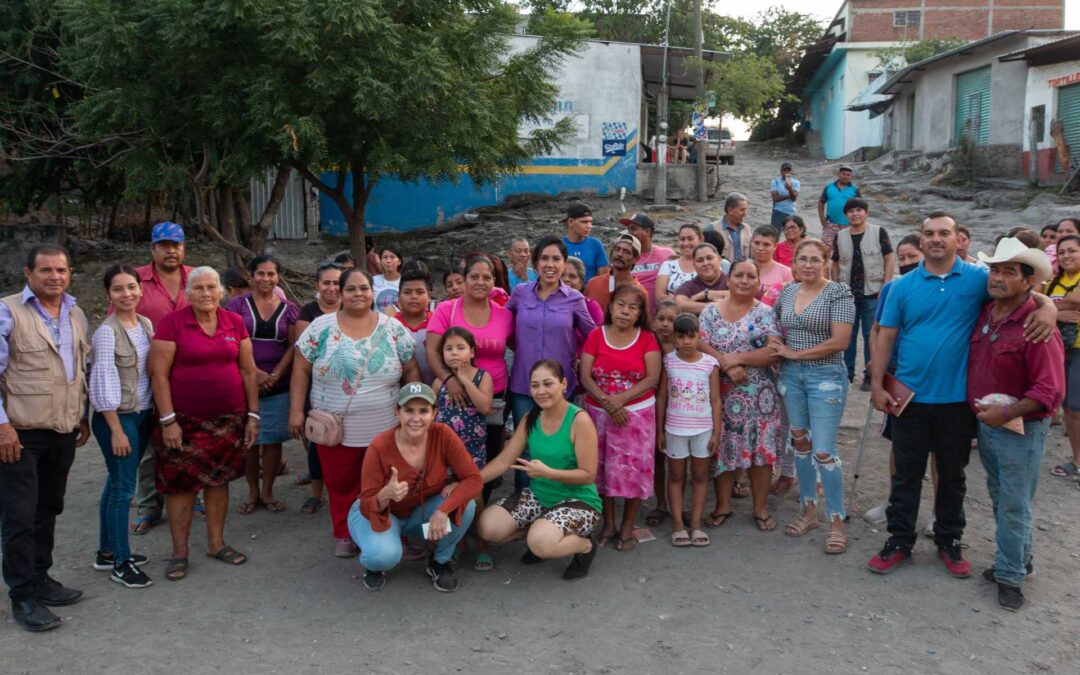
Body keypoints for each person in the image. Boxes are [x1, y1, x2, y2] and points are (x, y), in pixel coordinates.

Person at [868, 212, 1057, 577]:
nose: (935, 239)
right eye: (928, 233)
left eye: (944, 233)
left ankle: (949, 541)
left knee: (953, 476)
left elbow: (1021, 292)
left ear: (959, 239)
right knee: (906, 474)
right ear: (920, 240)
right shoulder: (902, 286)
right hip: (908, 399)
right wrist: (876, 385)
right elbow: (885, 336)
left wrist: (1047, 306)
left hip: (958, 401)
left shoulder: (978, 280)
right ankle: (899, 540)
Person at [290, 268, 421, 558]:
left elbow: (411, 367)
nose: (358, 294)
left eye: (363, 288)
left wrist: (413, 412)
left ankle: (396, 534)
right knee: (341, 483)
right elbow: (300, 368)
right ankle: (346, 533)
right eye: (351, 289)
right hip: (335, 427)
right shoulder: (321, 327)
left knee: (391, 483)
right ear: (340, 292)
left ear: (371, 293)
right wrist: (296, 411)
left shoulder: (392, 327)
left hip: (386, 427)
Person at [967, 239, 1062, 611]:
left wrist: (1005, 414)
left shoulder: (1038, 327)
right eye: (995, 270)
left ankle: (1009, 576)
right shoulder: (987, 311)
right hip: (989, 426)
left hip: (1019, 430)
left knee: (1012, 504)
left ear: (1028, 282)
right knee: (1003, 496)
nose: (998, 278)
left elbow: (1049, 391)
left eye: (1009, 272)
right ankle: (1021, 561)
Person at [148, 266, 260, 582]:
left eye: (212, 287)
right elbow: (158, 374)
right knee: (180, 487)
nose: (206, 293)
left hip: (228, 419)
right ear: (188, 292)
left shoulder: (234, 322)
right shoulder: (172, 324)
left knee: (218, 482)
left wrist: (253, 415)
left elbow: (249, 372)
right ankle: (179, 553)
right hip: (182, 421)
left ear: (221, 292)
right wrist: (168, 420)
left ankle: (216, 543)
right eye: (198, 288)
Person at [0, 245, 91, 632]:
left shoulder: (76, 312)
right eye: (46, 270)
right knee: (19, 517)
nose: (55, 276)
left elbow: (79, 370)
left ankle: (41, 578)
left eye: (62, 270)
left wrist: (82, 416)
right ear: (28, 273)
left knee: (48, 507)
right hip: (19, 433)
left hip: (63, 430)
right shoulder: (7, 312)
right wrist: (2, 426)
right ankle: (22, 596)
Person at [477, 360, 601, 581]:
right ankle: (541, 532)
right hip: (539, 496)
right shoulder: (531, 418)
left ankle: (585, 546)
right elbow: (504, 460)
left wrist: (549, 473)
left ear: (563, 384)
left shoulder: (579, 420)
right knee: (488, 528)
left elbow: (588, 474)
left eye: (548, 384)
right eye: (535, 385)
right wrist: (468, 482)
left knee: (541, 543)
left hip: (579, 500)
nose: (541, 391)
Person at [351, 383, 481, 592]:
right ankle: (373, 564)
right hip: (382, 514)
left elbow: (473, 479)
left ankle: (439, 562)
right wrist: (385, 494)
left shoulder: (443, 435)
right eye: (408, 410)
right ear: (397, 412)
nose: (415, 418)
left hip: (420, 517)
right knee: (383, 556)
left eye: (423, 410)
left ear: (434, 413)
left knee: (466, 505)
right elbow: (366, 504)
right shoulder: (380, 445)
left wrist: (442, 511)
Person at [770, 239, 855, 555]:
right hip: (792, 377)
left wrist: (795, 352)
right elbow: (775, 324)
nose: (808, 265)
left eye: (814, 259)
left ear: (826, 261)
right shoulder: (789, 291)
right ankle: (808, 511)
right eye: (802, 259)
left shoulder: (839, 293)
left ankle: (836, 520)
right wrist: (776, 343)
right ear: (793, 263)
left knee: (823, 450)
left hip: (826, 378)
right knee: (800, 442)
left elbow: (841, 341)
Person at [700, 261, 784, 532]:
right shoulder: (711, 312)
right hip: (720, 394)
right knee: (722, 448)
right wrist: (727, 364)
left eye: (751, 276)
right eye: (739, 275)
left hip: (760, 396)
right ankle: (722, 504)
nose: (744, 280)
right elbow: (701, 343)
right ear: (729, 279)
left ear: (758, 281)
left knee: (761, 451)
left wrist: (738, 359)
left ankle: (760, 507)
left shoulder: (766, 313)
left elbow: (773, 351)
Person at [579, 284, 662, 551]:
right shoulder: (595, 335)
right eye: (620, 304)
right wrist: (608, 403)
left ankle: (627, 526)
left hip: (636, 416)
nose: (625, 311)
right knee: (602, 471)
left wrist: (619, 401)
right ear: (611, 306)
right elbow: (585, 375)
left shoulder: (647, 338)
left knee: (632, 473)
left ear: (640, 313)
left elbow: (652, 378)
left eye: (633, 307)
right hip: (598, 413)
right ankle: (610, 523)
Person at [89, 265, 154, 589]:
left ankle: (106, 551)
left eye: (131, 287)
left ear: (140, 289)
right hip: (118, 417)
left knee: (116, 482)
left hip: (141, 415)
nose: (126, 294)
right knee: (123, 490)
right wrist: (115, 429)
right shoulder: (106, 332)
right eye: (118, 289)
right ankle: (121, 562)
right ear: (108, 295)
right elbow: (101, 383)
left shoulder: (145, 324)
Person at [426, 255, 514, 488]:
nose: (480, 282)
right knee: (452, 456)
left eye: (487, 277)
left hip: (493, 394)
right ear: (464, 280)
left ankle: (480, 512)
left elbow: (519, 345)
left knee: (490, 454)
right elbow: (432, 351)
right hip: (455, 393)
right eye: (474, 276)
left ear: (494, 281)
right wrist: (449, 380)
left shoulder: (503, 314)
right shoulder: (446, 310)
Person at [131, 222, 192, 536]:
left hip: (192, 373)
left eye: (177, 245)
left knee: (191, 437)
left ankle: (191, 495)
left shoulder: (196, 279)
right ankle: (149, 506)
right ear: (152, 249)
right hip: (149, 374)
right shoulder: (136, 281)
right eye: (164, 245)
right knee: (151, 442)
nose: (171, 251)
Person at [226, 255, 299, 514]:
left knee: (272, 440)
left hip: (277, 384)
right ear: (251, 276)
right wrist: (254, 373)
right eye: (260, 273)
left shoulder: (289, 309)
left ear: (278, 277)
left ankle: (267, 492)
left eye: (271, 274)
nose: (266, 279)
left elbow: (293, 346)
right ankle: (251, 492)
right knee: (249, 440)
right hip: (244, 381)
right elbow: (229, 341)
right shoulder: (236, 306)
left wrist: (275, 375)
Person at [862, 234, 926, 525]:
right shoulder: (892, 288)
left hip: (937, 378)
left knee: (939, 451)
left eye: (912, 256)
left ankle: (937, 512)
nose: (907, 263)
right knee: (898, 442)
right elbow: (877, 329)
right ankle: (893, 502)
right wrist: (877, 365)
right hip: (899, 374)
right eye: (901, 259)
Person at [506, 238, 596, 442]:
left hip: (560, 387)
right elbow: (502, 324)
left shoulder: (574, 298)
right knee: (525, 446)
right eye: (544, 258)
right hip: (524, 385)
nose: (550, 264)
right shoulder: (521, 293)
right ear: (536, 263)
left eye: (556, 259)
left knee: (558, 445)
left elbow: (594, 335)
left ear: (564, 263)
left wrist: (582, 359)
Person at [656, 313, 721, 546]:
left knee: (700, 476)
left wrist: (717, 432)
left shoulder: (710, 364)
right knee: (675, 476)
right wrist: (660, 431)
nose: (686, 342)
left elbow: (715, 399)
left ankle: (695, 524)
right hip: (674, 429)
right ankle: (677, 524)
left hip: (703, 430)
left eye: (691, 337)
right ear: (674, 338)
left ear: (699, 337)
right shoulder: (669, 362)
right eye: (681, 337)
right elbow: (662, 397)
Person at [432, 328, 494, 571]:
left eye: (460, 348)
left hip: (473, 450)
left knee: (475, 496)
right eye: (448, 349)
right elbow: (431, 413)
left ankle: (481, 544)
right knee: (446, 498)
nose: (454, 353)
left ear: (472, 351)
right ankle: (454, 543)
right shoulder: (439, 382)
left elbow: (485, 408)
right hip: (444, 451)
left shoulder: (482, 376)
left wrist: (464, 378)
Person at [293, 263, 343, 515]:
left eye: (337, 283)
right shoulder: (308, 312)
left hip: (348, 388)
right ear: (317, 286)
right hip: (318, 387)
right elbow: (304, 358)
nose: (332, 288)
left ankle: (343, 492)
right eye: (327, 282)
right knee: (318, 441)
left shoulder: (352, 309)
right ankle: (316, 493)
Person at [830, 198, 894, 390]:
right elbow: (835, 262)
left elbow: (889, 258)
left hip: (873, 292)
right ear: (846, 214)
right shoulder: (840, 236)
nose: (855, 214)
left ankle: (870, 375)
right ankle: (847, 374)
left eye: (859, 210)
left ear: (866, 212)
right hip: (847, 293)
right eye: (851, 211)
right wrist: (835, 286)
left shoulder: (879, 232)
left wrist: (886, 285)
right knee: (847, 335)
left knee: (871, 335)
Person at [1046, 234, 1080, 479]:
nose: (1067, 256)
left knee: (1076, 408)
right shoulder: (1054, 282)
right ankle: (1077, 460)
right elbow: (1038, 307)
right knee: (1069, 408)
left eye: (1072, 251)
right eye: (1062, 252)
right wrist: (1057, 311)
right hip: (1061, 349)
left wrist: (1051, 308)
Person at [645, 298, 680, 528]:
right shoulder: (647, 342)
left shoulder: (685, 344)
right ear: (653, 320)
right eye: (661, 319)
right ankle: (660, 504)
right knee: (658, 458)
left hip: (681, 409)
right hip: (653, 407)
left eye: (671, 319)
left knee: (679, 461)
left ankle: (678, 504)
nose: (666, 324)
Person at [621, 212, 675, 314]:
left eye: (633, 229)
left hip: (661, 317)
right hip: (633, 315)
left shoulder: (667, 254)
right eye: (628, 229)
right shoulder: (623, 256)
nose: (629, 233)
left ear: (647, 231)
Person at [394, 266, 435, 384]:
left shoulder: (438, 323)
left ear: (429, 296)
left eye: (420, 292)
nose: (413, 296)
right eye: (407, 292)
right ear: (399, 297)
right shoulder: (390, 326)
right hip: (399, 394)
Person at [584, 233, 645, 312]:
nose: (619, 254)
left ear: (636, 259)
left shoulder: (639, 292)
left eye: (626, 252)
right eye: (617, 249)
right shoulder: (593, 284)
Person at [817, 164, 861, 257]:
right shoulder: (829, 187)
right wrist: (822, 219)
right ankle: (826, 271)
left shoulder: (855, 190)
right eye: (843, 174)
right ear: (839, 174)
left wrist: (857, 223)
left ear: (851, 176)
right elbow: (821, 202)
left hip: (848, 226)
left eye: (848, 175)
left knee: (846, 253)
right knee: (825, 252)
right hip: (830, 224)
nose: (845, 176)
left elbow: (861, 208)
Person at [674, 243, 729, 314]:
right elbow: (679, 305)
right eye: (700, 260)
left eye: (709, 258)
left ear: (719, 259)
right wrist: (714, 307)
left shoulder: (731, 280)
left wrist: (705, 294)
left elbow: (741, 297)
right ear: (694, 264)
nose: (705, 263)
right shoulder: (689, 286)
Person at [656, 224, 704, 304]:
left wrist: (675, 299)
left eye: (690, 239)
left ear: (701, 239)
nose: (686, 243)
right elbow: (659, 297)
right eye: (682, 239)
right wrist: (692, 301)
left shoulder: (708, 264)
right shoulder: (668, 265)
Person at [562, 256, 606, 343]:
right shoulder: (548, 303)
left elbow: (599, 340)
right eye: (562, 275)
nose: (566, 279)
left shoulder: (590, 306)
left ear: (581, 282)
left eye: (572, 276)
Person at [561, 202, 609, 282]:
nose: (589, 226)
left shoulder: (596, 245)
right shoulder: (559, 246)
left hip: (589, 293)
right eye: (584, 222)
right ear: (571, 222)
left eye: (590, 222)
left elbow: (604, 279)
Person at [750, 226, 794, 306]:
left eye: (766, 244)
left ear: (775, 246)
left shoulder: (786, 273)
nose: (760, 248)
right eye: (756, 243)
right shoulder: (742, 268)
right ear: (751, 242)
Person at [709, 192, 752, 263]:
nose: (745, 213)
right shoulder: (713, 229)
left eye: (745, 209)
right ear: (730, 210)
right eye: (742, 210)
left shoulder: (747, 229)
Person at [372, 245, 404, 313]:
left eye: (392, 257)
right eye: (385, 257)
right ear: (380, 261)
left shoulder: (405, 281)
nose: (388, 261)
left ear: (399, 261)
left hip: (399, 322)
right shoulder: (373, 281)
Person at [769, 162, 800, 229]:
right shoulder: (775, 181)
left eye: (788, 170)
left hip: (791, 212)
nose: (786, 172)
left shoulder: (796, 182)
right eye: (784, 170)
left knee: (791, 234)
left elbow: (794, 199)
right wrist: (788, 196)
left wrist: (790, 189)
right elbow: (775, 198)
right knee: (775, 234)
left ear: (791, 171)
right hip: (778, 211)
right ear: (781, 172)